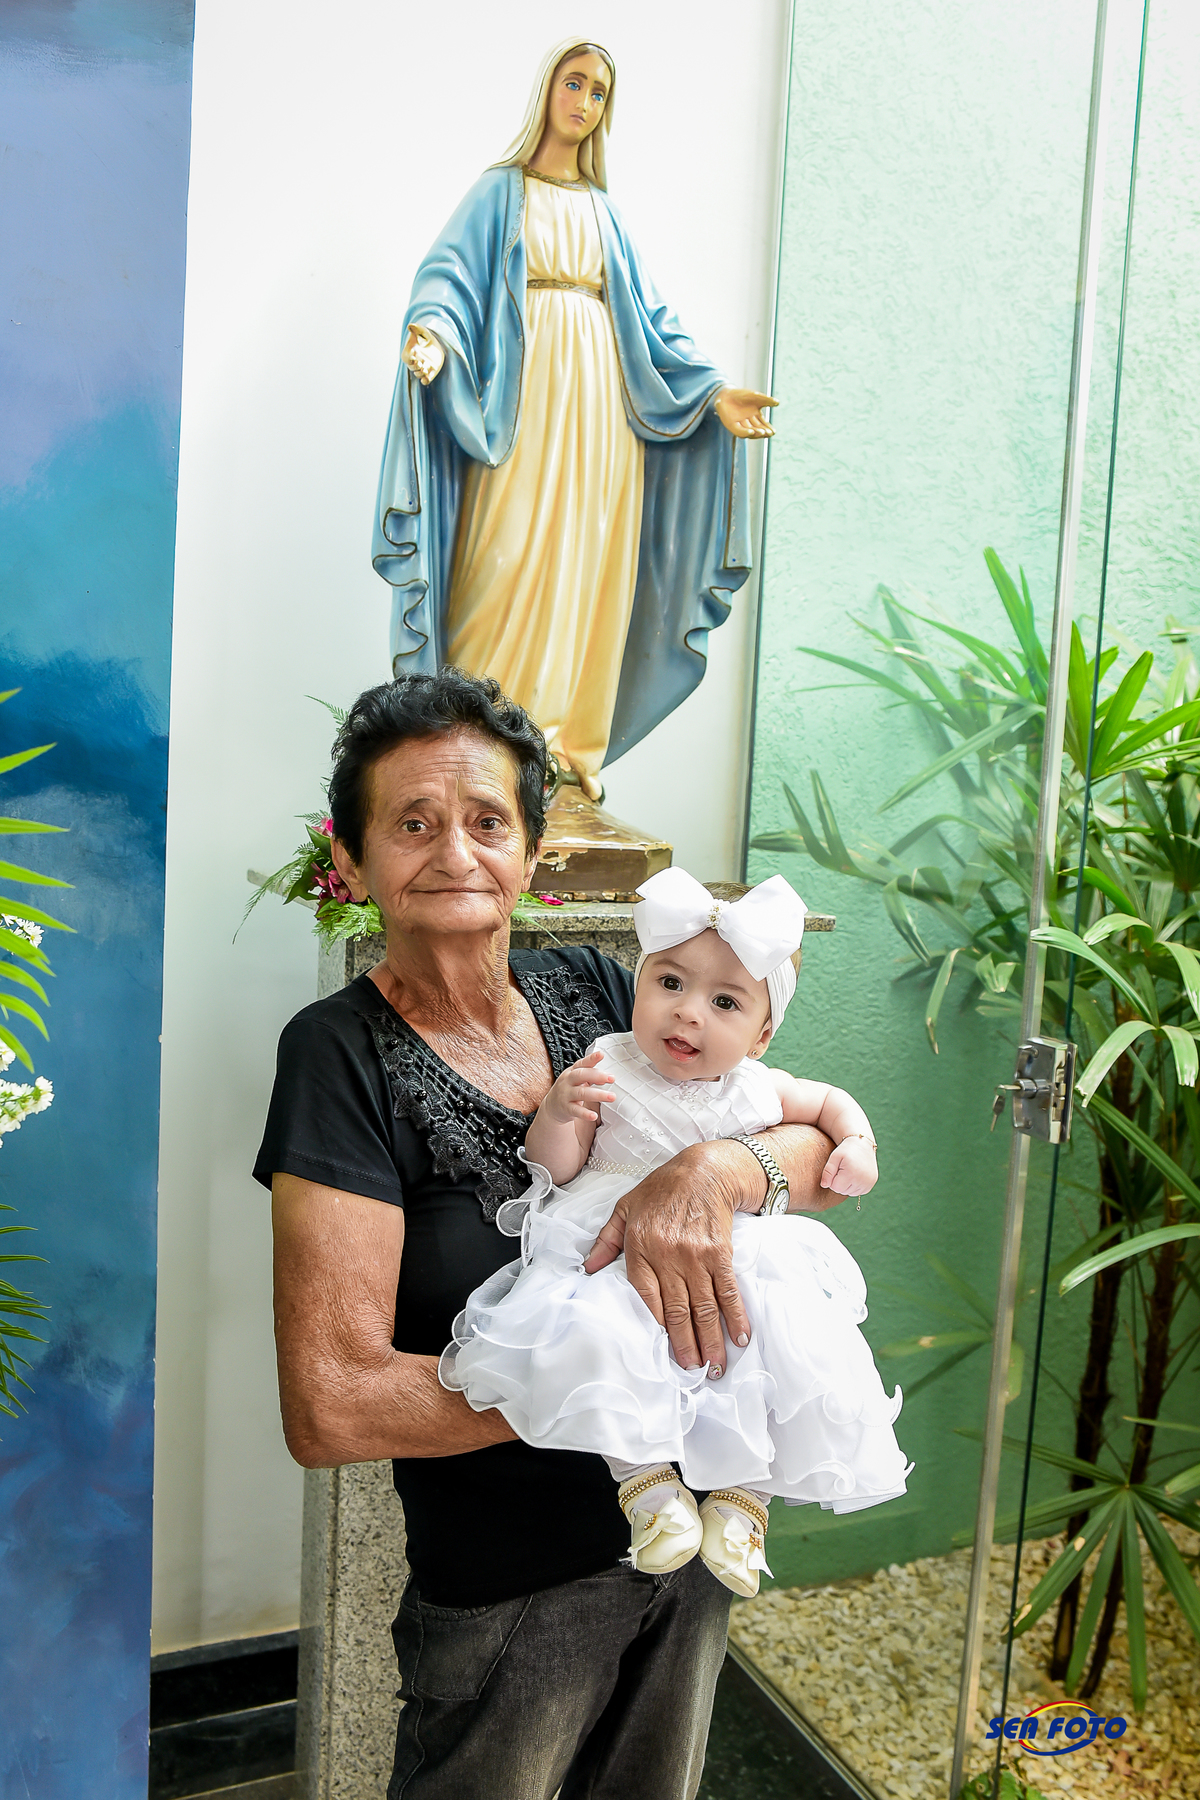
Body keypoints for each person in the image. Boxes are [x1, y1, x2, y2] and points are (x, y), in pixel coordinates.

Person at [259, 669, 851, 1800]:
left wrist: (714, 1171)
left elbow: (813, 1144)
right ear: (352, 859)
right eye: (413, 823)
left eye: (489, 821)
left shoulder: (599, 991)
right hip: (512, 1600)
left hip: (690, 1562)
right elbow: (333, 1404)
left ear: (534, 855)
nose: (455, 852)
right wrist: (619, 1376)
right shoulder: (336, 1055)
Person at [441, 868, 911, 1600]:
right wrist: (560, 1114)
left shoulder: (759, 1087)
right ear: (639, 985)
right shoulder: (609, 1062)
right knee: (603, 1340)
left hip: (736, 1245)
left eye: (725, 1002)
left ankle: (743, 1506)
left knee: (771, 1344)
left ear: (761, 1034)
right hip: (610, 1242)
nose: (688, 1012)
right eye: (669, 983)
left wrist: (858, 1143)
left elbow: (829, 1103)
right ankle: (650, 1492)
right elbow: (553, 1171)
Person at [372, 38, 779, 798]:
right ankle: (482, 740)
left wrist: (714, 393)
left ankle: (559, 751)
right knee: (506, 556)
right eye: (575, 82)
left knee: (586, 567)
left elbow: (653, 323)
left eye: (598, 92)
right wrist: (431, 335)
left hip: (602, 415)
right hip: (523, 406)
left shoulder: (605, 213)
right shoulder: (500, 192)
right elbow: (448, 277)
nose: (585, 102)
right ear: (547, 89)